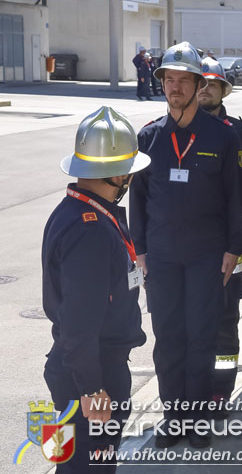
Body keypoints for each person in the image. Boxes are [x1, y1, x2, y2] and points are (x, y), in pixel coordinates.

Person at [129, 41, 242, 449]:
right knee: (169, 339)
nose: (175, 87)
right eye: (169, 79)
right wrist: (139, 250)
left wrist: (233, 248)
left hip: (206, 258)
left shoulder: (223, 137)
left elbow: (235, 198)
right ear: (161, 84)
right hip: (160, 258)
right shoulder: (148, 138)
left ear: (199, 85)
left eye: (183, 80)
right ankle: (173, 418)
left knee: (201, 338)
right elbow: (137, 200)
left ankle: (197, 420)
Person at [43, 106, 151, 472]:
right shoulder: (90, 230)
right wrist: (91, 388)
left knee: (71, 463)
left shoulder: (76, 211)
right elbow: (79, 320)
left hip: (76, 365)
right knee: (91, 466)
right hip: (92, 373)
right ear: (118, 173)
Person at [197, 57, 242, 418]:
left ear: (225, 90)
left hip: (230, 252)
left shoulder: (240, 133)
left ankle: (221, 392)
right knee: (191, 328)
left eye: (212, 84)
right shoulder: (179, 130)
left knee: (225, 328)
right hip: (191, 251)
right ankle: (192, 392)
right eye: (200, 83)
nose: (205, 90)